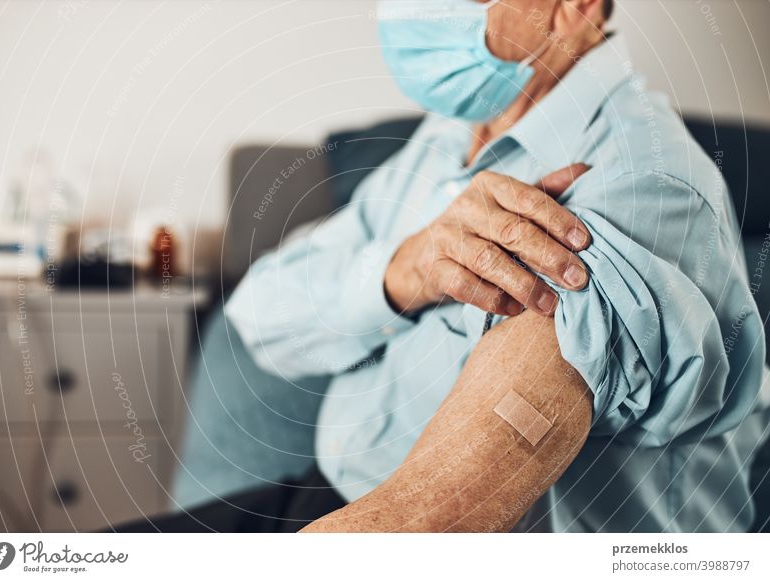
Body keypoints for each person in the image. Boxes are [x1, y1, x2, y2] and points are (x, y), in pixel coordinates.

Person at [118, 0, 769, 533]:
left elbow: (555, 350)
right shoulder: (450, 136)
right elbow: (261, 314)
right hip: (330, 494)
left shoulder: (644, 175)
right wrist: (406, 272)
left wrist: (368, 535)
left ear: (573, 8)